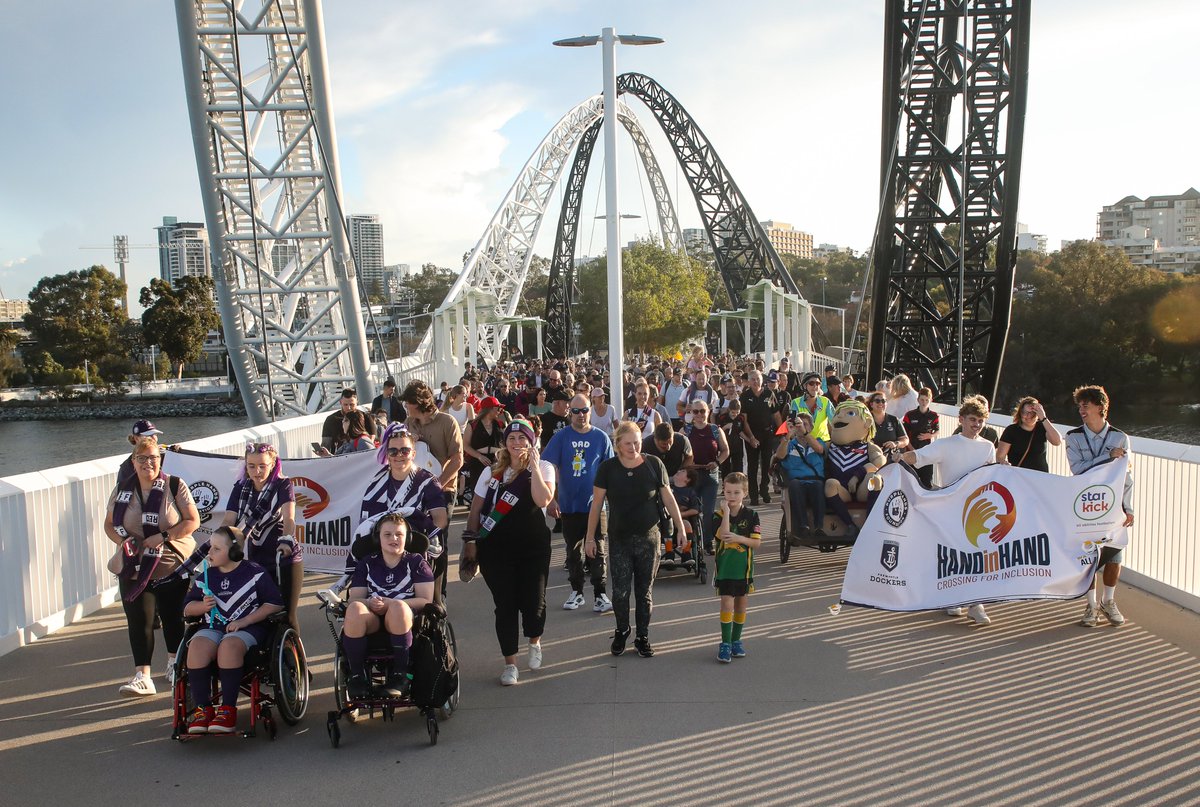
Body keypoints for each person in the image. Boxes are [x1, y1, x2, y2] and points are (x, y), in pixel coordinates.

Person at [461, 420, 556, 686]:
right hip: (496, 549)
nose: (516, 443)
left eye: (522, 438)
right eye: (512, 438)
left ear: (531, 441)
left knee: (534, 603)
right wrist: (471, 542)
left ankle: (534, 640)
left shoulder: (544, 467)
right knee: (505, 605)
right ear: (505, 442)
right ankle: (510, 664)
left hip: (533, 549)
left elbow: (543, 500)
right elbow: (475, 511)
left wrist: (534, 466)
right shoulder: (491, 472)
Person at [104, 436, 200, 696]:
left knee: (172, 618)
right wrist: (123, 541)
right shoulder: (122, 489)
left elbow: (193, 521)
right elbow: (109, 524)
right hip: (133, 565)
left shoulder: (175, 485)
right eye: (143, 458)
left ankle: (174, 664)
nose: (149, 463)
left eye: (154, 458)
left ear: (161, 460)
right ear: (133, 462)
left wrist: (164, 536)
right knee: (139, 621)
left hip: (170, 564)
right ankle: (142, 676)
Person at [586, 421, 685, 659]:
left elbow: (669, 498)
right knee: (620, 592)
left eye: (637, 442)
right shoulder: (608, 468)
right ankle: (622, 630)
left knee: (644, 591)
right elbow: (596, 504)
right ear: (618, 444)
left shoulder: (653, 464)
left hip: (649, 538)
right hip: (619, 538)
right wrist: (590, 537)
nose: (633, 447)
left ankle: (642, 636)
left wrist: (681, 527)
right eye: (628, 443)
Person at [900, 396, 997, 626]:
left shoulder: (988, 446)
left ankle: (976, 604)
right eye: (972, 419)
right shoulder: (946, 444)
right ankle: (954, 598)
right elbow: (919, 457)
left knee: (980, 554)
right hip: (951, 506)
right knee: (955, 554)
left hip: (978, 508)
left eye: (981, 420)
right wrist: (898, 459)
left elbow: (992, 475)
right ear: (961, 419)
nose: (977, 424)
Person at [182, 527, 283, 734]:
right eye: (211, 548)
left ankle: (228, 709)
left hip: (249, 629)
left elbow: (275, 604)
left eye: (217, 549)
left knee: (228, 646)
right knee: (197, 647)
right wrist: (202, 607)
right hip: (213, 627)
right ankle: (203, 709)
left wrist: (246, 620)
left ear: (235, 552)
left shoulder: (255, 573)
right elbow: (187, 608)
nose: (210, 553)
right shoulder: (205, 577)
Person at [342, 514, 434, 701]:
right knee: (354, 609)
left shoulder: (416, 562)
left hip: (406, 619)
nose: (394, 539)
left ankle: (401, 675)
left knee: (398, 608)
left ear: (407, 538)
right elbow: (355, 600)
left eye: (399, 534)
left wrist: (391, 604)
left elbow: (426, 600)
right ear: (378, 538)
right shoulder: (366, 563)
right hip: (373, 618)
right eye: (388, 534)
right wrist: (369, 603)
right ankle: (357, 676)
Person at [1066, 385, 1135, 628]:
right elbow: (1078, 469)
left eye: (1086, 404)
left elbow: (1126, 476)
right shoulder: (1073, 436)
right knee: (1088, 555)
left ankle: (1109, 601)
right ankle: (1091, 605)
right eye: (1080, 405)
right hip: (1085, 505)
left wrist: (1129, 508)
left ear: (1100, 407)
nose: (1081, 409)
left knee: (1114, 553)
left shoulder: (1120, 437)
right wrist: (1107, 457)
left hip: (1113, 504)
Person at [544, 394, 614, 614]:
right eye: (575, 411)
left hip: (596, 505)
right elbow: (547, 467)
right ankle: (576, 591)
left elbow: (610, 471)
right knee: (573, 551)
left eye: (584, 410)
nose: (580, 415)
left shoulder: (601, 437)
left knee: (598, 549)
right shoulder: (561, 437)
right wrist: (550, 498)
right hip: (569, 504)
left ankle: (600, 593)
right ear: (569, 413)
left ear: (590, 411)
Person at [398, 381, 464, 601]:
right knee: (414, 542)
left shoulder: (447, 422)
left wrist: (437, 486)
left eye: (408, 403)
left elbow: (457, 459)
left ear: (418, 402)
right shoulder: (408, 423)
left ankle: (438, 595)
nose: (406, 408)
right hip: (413, 493)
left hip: (443, 491)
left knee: (438, 543)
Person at [713, 472, 761, 663]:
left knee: (741, 604)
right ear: (723, 492)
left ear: (745, 494)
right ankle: (725, 643)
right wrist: (725, 514)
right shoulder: (717, 515)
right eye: (728, 492)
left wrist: (740, 538)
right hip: (725, 569)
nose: (731, 497)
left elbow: (756, 543)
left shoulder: (751, 515)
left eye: (736, 493)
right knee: (726, 602)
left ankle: (736, 640)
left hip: (744, 569)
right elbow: (723, 535)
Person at [684, 400, 730, 554]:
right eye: (695, 411)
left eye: (702, 411)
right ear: (691, 413)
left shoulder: (715, 430)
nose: (699, 415)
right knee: (691, 510)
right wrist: (687, 464)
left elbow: (725, 450)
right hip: (692, 475)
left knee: (709, 511)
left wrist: (717, 462)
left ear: (708, 412)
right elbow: (678, 451)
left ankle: (708, 542)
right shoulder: (686, 430)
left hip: (710, 475)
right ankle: (690, 542)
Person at [774, 411, 826, 541]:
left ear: (811, 427)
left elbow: (820, 449)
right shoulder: (789, 444)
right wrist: (788, 436)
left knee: (818, 486)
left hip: (815, 481)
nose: (801, 427)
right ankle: (803, 526)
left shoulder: (817, 441)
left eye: (805, 424)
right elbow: (780, 456)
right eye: (798, 424)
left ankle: (819, 527)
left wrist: (805, 433)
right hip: (797, 482)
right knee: (795, 485)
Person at [740, 370, 781, 507]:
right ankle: (754, 495)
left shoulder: (769, 394)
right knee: (752, 467)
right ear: (749, 381)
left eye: (757, 379)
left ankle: (764, 490)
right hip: (752, 434)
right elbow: (744, 420)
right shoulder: (745, 396)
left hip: (767, 434)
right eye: (752, 379)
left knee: (766, 465)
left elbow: (776, 414)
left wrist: (782, 432)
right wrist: (751, 438)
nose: (755, 381)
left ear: (762, 380)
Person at [997, 396, 1062, 472]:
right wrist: (1005, 465)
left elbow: (1057, 442)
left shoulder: (1042, 427)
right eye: (1024, 412)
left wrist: (1043, 418)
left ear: (1038, 414)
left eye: (1032, 413)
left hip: (1040, 477)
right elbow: (1000, 457)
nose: (1028, 416)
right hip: (1018, 476)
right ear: (1020, 413)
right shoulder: (1011, 430)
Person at [464, 396, 506, 495]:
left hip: (497, 462)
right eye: (497, 408)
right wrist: (479, 456)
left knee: (495, 491)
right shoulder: (472, 424)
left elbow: (506, 442)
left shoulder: (500, 424)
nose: (500, 410)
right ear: (490, 409)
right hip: (478, 462)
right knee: (479, 491)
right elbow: (465, 445)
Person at [902, 387, 940, 486]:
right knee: (910, 481)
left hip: (926, 453)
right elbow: (904, 435)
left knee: (927, 481)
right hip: (911, 450)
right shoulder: (910, 415)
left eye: (927, 400)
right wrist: (912, 449)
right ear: (918, 400)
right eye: (922, 399)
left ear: (931, 400)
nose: (924, 402)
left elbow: (937, 431)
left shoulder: (934, 416)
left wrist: (930, 435)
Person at [791, 372, 835, 443]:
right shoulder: (795, 402)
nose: (815, 386)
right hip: (803, 443)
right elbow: (792, 426)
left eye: (817, 383)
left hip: (823, 443)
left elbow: (834, 422)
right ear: (805, 386)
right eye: (811, 383)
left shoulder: (826, 401)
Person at [319, 388, 359, 454]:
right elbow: (326, 444)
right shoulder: (331, 420)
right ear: (340, 403)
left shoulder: (364, 417)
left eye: (352, 405)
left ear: (357, 402)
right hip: (337, 458)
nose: (349, 408)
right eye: (345, 405)